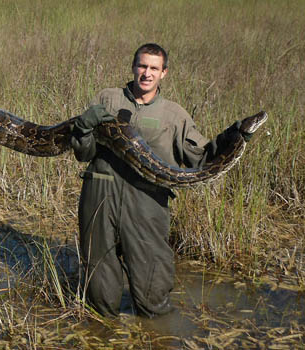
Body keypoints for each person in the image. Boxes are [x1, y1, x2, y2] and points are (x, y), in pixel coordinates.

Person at [71, 43, 250, 317]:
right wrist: (82, 129)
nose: (147, 73)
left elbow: (200, 160)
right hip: (100, 196)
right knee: (99, 289)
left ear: (164, 73)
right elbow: (84, 153)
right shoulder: (107, 99)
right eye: (142, 66)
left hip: (147, 204)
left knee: (152, 292)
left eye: (154, 68)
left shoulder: (174, 115)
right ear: (133, 67)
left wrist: (233, 138)